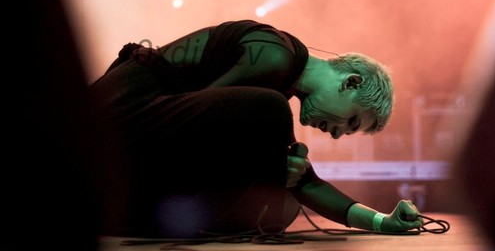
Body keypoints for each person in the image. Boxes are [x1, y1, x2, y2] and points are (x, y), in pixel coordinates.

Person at [89, 19, 424, 238]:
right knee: (272, 133)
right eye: (350, 122)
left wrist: (383, 221)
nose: (337, 134)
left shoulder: (278, 85)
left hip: (141, 134)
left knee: (285, 191)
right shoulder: (275, 59)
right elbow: (203, 126)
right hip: (117, 114)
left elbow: (306, 183)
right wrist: (272, 168)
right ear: (351, 82)